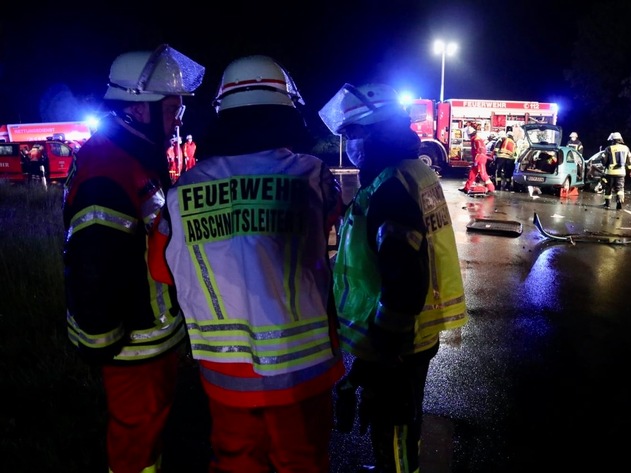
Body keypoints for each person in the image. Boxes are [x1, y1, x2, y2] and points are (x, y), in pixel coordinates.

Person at [148, 54, 345, 472]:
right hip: (302, 369)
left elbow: (161, 270)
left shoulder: (184, 191)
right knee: (303, 462)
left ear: (222, 116)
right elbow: (327, 227)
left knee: (236, 464)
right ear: (288, 112)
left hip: (225, 372)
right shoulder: (313, 175)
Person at [62, 44, 204, 473]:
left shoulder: (131, 157)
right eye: (171, 107)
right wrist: (103, 344)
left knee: (149, 440)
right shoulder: (109, 169)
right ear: (139, 110)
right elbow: (93, 267)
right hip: (131, 350)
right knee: (135, 448)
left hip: (147, 344)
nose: (179, 117)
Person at [319, 83, 468, 473]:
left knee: (395, 428)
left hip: (398, 342)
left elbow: (403, 283)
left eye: (354, 134)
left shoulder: (389, 189)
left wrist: (383, 352)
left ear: (376, 132)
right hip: (409, 337)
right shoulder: (410, 171)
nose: (350, 144)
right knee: (398, 423)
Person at [601, 131, 631, 210]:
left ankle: (607, 204)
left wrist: (605, 164)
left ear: (613, 140)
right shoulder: (626, 148)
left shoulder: (609, 148)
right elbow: (630, 160)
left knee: (608, 188)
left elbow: (603, 161)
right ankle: (619, 204)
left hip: (610, 172)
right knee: (620, 188)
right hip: (621, 172)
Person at [460, 123, 495, 194]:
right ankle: (466, 188)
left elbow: (480, 151)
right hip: (478, 160)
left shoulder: (477, 140)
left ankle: (491, 188)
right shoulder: (475, 139)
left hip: (480, 160)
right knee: (472, 174)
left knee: (483, 174)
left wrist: (476, 160)